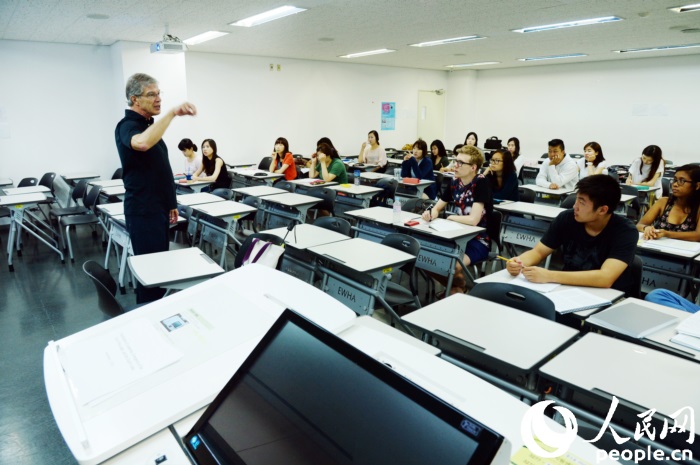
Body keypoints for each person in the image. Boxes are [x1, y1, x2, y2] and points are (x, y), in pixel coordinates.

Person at [115, 73, 196, 303]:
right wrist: (172, 113)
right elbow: (141, 143)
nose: (158, 99)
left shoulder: (148, 125)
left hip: (157, 209)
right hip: (143, 211)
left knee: (160, 268)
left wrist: (170, 202)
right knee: (152, 273)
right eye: (151, 94)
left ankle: (158, 312)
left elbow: (160, 169)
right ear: (135, 99)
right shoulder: (128, 126)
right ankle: (149, 317)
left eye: (159, 93)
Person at [507, 175, 638, 295]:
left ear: (602, 210)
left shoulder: (625, 231)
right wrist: (519, 262)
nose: (575, 206)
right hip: (566, 289)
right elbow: (538, 252)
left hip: (608, 295)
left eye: (582, 202)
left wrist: (549, 276)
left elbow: (605, 278)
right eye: (576, 200)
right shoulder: (567, 218)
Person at [422, 145, 492, 295]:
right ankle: (458, 286)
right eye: (455, 161)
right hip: (455, 236)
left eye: (460, 163)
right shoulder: (455, 181)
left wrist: (451, 217)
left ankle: (456, 287)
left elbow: (474, 220)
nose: (455, 165)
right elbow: (438, 207)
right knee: (425, 259)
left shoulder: (481, 182)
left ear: (473, 167)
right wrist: (431, 213)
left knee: (453, 264)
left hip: (478, 239)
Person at [636, 164, 700, 241]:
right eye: (675, 180)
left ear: (697, 186)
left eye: (682, 181)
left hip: (686, 252)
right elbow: (639, 225)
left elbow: (698, 235)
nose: (675, 184)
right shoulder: (664, 202)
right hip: (658, 248)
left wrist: (667, 234)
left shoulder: (698, 208)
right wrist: (646, 228)